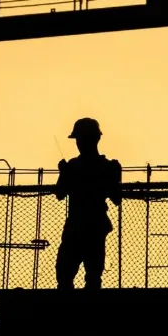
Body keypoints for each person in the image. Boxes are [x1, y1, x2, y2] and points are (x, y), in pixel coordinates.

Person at [54, 117, 122, 291]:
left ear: (94, 139)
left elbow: (116, 197)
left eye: (82, 139)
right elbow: (60, 194)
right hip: (87, 226)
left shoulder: (103, 167)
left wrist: (68, 175)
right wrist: (65, 174)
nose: (79, 143)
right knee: (68, 274)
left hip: (87, 226)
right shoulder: (104, 167)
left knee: (87, 276)